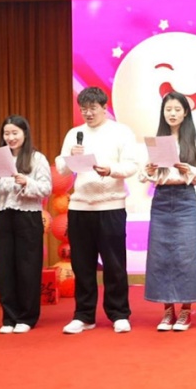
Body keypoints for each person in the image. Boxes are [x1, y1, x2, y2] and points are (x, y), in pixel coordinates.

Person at [56, 86, 139, 334]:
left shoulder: (121, 132)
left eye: (93, 108)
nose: (88, 114)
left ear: (104, 108)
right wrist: (71, 157)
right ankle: (84, 315)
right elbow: (61, 168)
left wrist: (111, 170)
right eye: (84, 109)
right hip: (80, 207)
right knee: (82, 265)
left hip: (111, 205)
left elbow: (132, 165)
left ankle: (119, 314)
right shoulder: (75, 134)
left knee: (114, 264)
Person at [141, 91, 196, 332]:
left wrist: (190, 170)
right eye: (168, 109)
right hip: (161, 200)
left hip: (185, 199)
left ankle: (186, 311)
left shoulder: (194, 141)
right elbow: (144, 174)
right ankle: (167, 310)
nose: (172, 114)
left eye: (177, 109)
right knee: (161, 256)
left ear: (185, 112)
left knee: (186, 255)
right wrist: (150, 170)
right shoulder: (157, 141)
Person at [0, 115, 52, 334]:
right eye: (6, 133)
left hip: (28, 217)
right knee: (4, 267)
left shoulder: (36, 158)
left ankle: (27, 317)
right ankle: (9, 317)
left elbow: (46, 189)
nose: (10, 137)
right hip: (3, 216)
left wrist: (26, 181)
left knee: (28, 267)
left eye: (15, 133)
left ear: (25, 134)